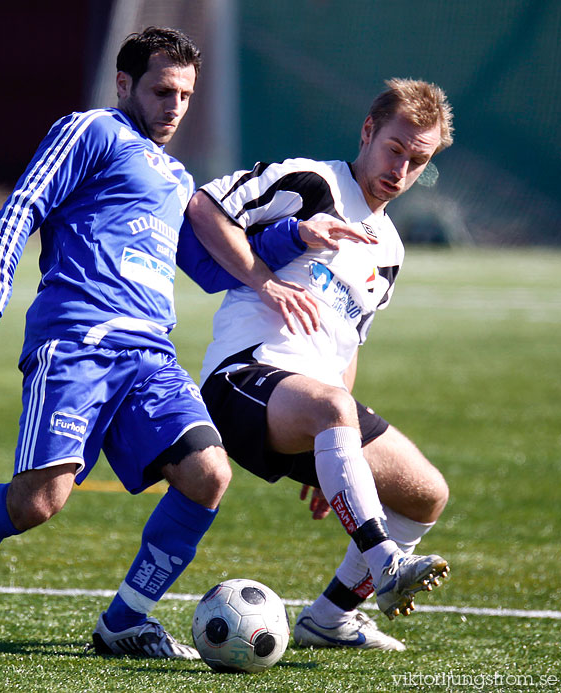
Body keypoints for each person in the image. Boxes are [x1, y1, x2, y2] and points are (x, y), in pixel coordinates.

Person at [0, 26, 281, 660]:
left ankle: (124, 620)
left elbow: (210, 269)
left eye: (186, 95)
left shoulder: (176, 177)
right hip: (78, 341)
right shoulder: (92, 131)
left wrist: (298, 242)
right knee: (38, 503)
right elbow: (25, 202)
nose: (175, 106)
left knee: (207, 474)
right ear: (124, 84)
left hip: (151, 356)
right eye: (163, 90)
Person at [186, 78, 454, 651]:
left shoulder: (391, 250)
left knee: (426, 493)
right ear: (368, 131)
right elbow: (204, 207)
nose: (401, 170)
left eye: (418, 161)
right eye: (394, 149)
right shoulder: (312, 181)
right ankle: (386, 563)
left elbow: (346, 348)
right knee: (334, 410)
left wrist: (342, 451)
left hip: (312, 402)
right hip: (241, 378)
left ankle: (328, 620)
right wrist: (263, 279)